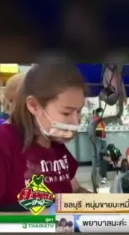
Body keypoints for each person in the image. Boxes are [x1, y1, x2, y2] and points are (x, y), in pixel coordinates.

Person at [0, 60, 91, 212]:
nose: (75, 121)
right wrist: (51, 217)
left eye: (79, 111)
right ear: (34, 106)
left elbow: (74, 189)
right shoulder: (5, 143)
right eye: (66, 112)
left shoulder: (57, 146)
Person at [93, 107, 107, 184]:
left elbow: (103, 129)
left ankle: (103, 176)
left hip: (103, 140)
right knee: (99, 157)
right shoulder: (95, 120)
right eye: (100, 112)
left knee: (103, 157)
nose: (101, 114)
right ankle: (101, 175)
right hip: (98, 140)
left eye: (102, 112)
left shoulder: (102, 120)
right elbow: (96, 132)